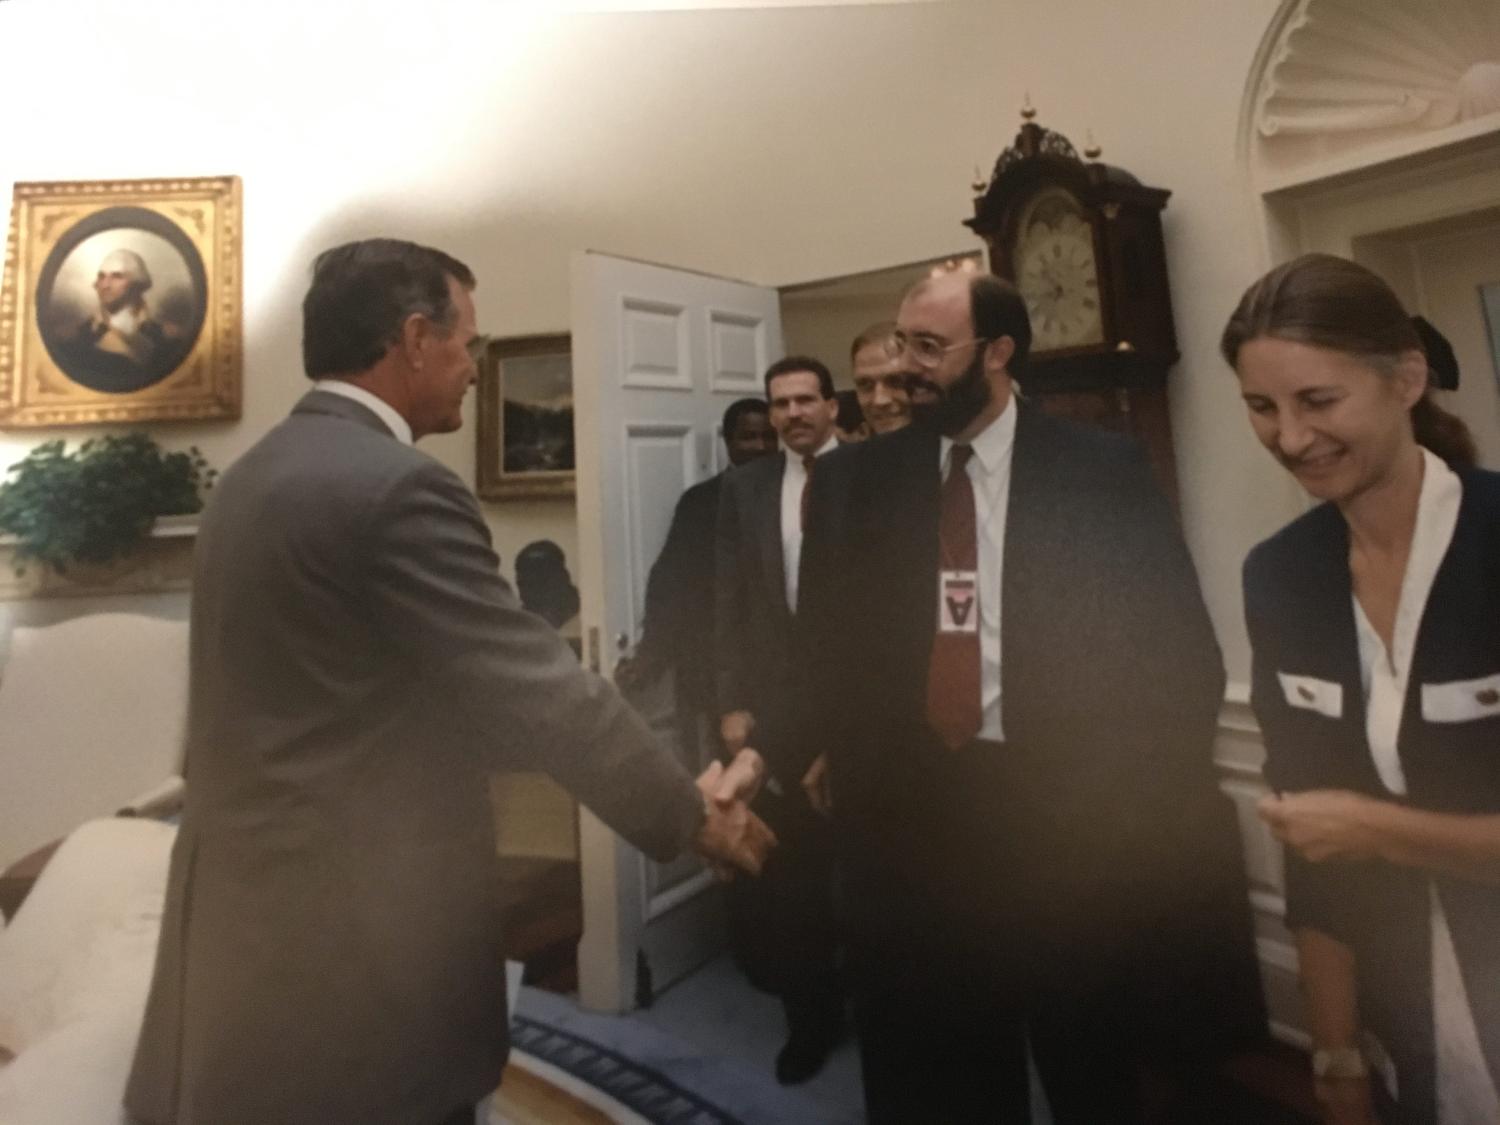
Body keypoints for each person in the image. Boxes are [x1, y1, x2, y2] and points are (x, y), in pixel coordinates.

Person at [123, 238, 775, 1125]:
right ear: (416, 336)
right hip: (357, 932)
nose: (473, 368)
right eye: (468, 342)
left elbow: (359, 691)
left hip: (248, 918)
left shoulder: (252, 475)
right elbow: (538, 687)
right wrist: (692, 812)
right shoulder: (397, 488)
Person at [796, 269, 1264, 1123]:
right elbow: (831, 645)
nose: (904, 368)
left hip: (1059, 822)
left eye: (929, 347)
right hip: (912, 826)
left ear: (1000, 352)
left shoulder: (1102, 472)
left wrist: (1125, 816)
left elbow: (1178, 654)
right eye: (902, 343)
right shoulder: (857, 483)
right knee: (936, 1072)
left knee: (1089, 1060)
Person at [1227, 253, 1500, 1125]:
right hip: (1406, 1020)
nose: (1290, 437)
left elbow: (1342, 830)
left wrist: (1378, 829)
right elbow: (1313, 849)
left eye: (1318, 400)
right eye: (1262, 408)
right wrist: (1338, 1057)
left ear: (1406, 380)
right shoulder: (1280, 576)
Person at [715, 356, 846, 1084]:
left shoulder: (875, 474)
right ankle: (810, 1024)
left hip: (861, 712)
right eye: (779, 404)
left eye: (805, 400)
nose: (792, 414)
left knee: (872, 872)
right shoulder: (746, 487)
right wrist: (733, 700)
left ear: (832, 405)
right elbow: (726, 599)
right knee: (792, 881)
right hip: (776, 714)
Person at [629, 398, 776, 754]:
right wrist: (651, 650)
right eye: (748, 437)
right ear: (728, 442)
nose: (759, 447)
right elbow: (668, 581)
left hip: (777, 667)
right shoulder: (700, 502)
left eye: (768, 437)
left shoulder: (791, 494)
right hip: (712, 667)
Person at [60, 247, 187, 393]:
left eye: (117, 276)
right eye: (101, 277)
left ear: (137, 284)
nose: (105, 285)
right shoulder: (75, 337)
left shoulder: (167, 336)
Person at [848, 320, 912, 435]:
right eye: (865, 385)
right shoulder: (846, 453)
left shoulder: (952, 451)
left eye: (895, 382)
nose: (879, 401)